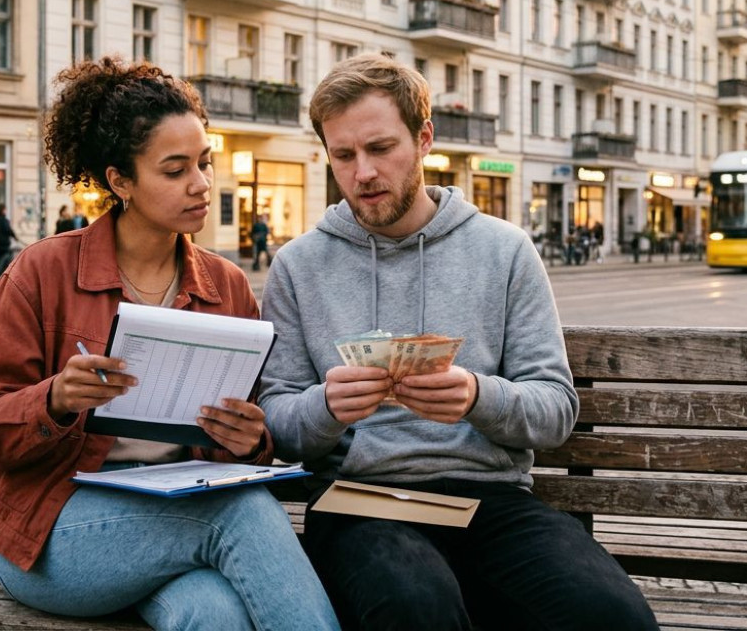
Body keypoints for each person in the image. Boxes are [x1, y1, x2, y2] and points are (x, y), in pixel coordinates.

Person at [256, 54, 656, 631]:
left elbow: (556, 409)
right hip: (359, 501)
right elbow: (277, 421)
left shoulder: (504, 249)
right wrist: (325, 407)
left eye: (380, 148)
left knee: (614, 618)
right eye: (343, 155)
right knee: (414, 607)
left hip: (489, 501)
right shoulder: (299, 266)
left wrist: (476, 397)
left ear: (423, 140)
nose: (363, 172)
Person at [0, 57, 338, 631]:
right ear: (120, 181)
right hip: (54, 534)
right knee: (242, 513)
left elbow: (250, 439)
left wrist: (250, 438)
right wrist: (56, 398)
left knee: (212, 615)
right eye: (175, 169)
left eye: (205, 164)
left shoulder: (226, 285)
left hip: (171, 524)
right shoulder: (43, 272)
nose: (202, 184)